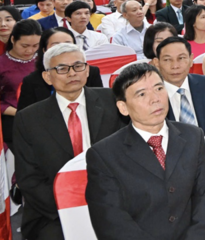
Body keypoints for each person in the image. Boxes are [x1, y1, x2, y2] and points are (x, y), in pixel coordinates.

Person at [85, 63, 205, 239]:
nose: (155, 99)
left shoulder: (193, 136)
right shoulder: (104, 154)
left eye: (159, 88)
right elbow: (112, 221)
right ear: (123, 107)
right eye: (142, 94)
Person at [14, 43, 125, 240]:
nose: (72, 73)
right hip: (54, 211)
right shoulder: (29, 118)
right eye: (62, 69)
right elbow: (29, 179)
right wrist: (71, 210)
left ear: (87, 70)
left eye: (78, 66)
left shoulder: (113, 101)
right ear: (47, 76)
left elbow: (128, 156)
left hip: (115, 202)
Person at [151, 36, 205, 133]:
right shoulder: (151, 95)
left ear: (191, 60)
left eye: (181, 58)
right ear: (157, 63)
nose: (175, 66)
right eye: (167, 60)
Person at [0, 20, 42, 147]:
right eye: (24, 46)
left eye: (35, 45)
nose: (30, 50)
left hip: (45, 118)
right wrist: (18, 113)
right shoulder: (2, 64)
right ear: (13, 39)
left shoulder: (45, 61)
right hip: (14, 120)